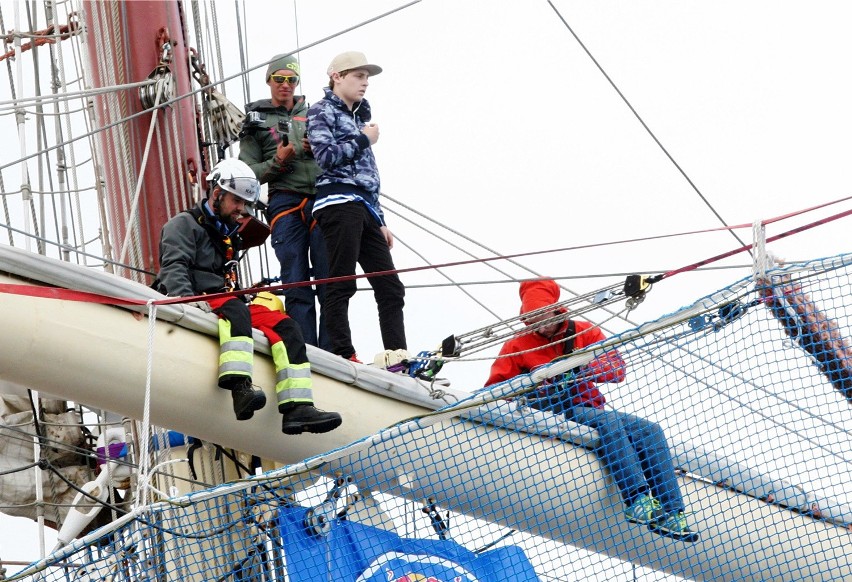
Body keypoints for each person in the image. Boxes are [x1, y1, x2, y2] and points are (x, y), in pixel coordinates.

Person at [485, 279, 698, 542]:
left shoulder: (584, 333)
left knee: (650, 431)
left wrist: (579, 370)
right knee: (608, 422)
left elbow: (616, 369)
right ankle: (636, 498)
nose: (541, 324)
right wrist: (536, 388)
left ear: (556, 309)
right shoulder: (516, 346)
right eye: (533, 318)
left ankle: (672, 511)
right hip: (552, 411)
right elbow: (496, 391)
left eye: (543, 315)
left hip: (585, 405)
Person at [156, 158, 342, 435]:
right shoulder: (183, 225)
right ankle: (240, 388)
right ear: (217, 194)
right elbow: (174, 266)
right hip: (198, 298)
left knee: (285, 325)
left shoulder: (228, 234)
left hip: (227, 301)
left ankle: (297, 407)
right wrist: (185, 302)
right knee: (236, 309)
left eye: (244, 204)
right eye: (237, 201)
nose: (241, 210)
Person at [307, 51, 407, 364]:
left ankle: (398, 357)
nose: (365, 83)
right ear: (336, 76)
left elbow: (368, 177)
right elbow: (324, 157)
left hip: (365, 207)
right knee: (342, 280)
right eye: (358, 75)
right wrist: (364, 140)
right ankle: (342, 351)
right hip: (337, 203)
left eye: (366, 77)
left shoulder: (359, 118)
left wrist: (381, 219)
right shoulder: (320, 111)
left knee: (391, 287)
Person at [239, 54, 330, 351]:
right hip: (286, 201)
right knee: (295, 279)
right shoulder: (255, 122)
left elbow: (342, 155)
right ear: (268, 80)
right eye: (279, 79)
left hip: (322, 198)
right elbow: (246, 173)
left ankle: (335, 350)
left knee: (331, 277)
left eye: (291, 79)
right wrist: (277, 161)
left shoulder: (318, 114)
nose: (286, 85)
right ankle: (307, 350)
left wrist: (320, 149)